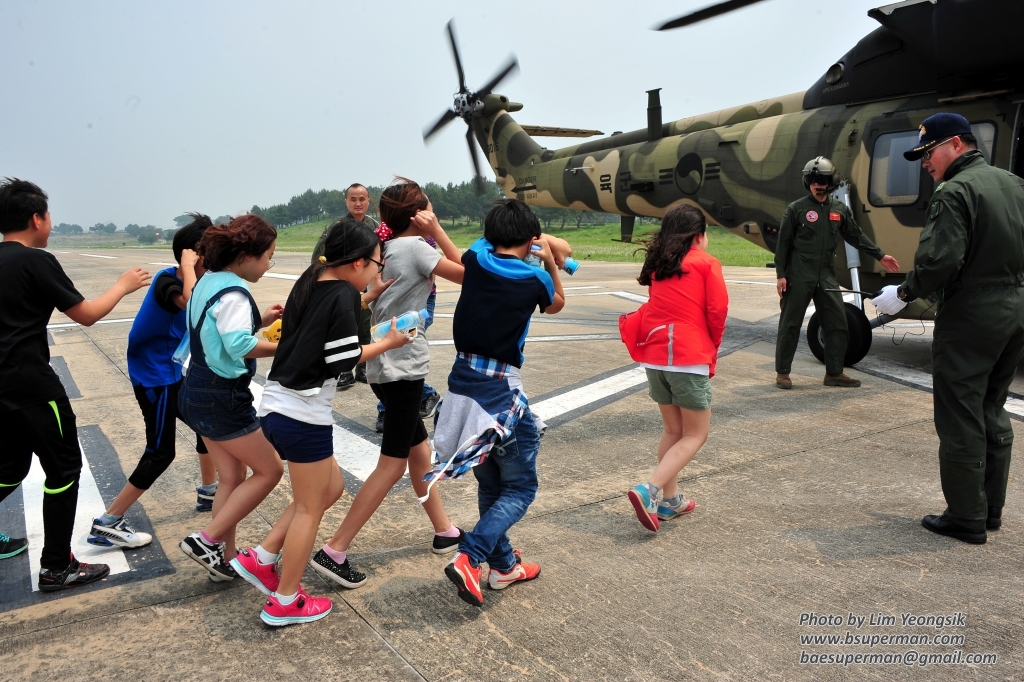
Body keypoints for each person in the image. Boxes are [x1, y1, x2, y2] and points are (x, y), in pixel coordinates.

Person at [230, 218, 410, 626]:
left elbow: (318, 328)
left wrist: (366, 298)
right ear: (358, 262)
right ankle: (286, 600)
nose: (377, 272)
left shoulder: (313, 280)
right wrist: (388, 342)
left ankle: (262, 558)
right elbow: (343, 358)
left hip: (276, 406)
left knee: (332, 487)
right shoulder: (344, 293)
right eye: (376, 266)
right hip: (304, 415)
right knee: (310, 509)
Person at [873, 112, 1024, 545]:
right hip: (1015, 310)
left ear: (956, 144)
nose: (924, 163)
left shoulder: (955, 191)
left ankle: (966, 516)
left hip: (973, 314)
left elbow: (940, 260)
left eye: (928, 152)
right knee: (992, 408)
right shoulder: (1014, 185)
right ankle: (990, 510)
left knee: (960, 415)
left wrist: (902, 295)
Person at [311, 179, 465, 588]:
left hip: (385, 366)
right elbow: (468, 274)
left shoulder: (387, 248)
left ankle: (444, 530)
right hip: (403, 368)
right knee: (393, 463)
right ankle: (335, 549)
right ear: (419, 214)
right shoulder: (416, 247)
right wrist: (437, 233)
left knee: (419, 453)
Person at [0, 178, 150, 590]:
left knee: (10, 467)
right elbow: (85, 314)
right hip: (31, 385)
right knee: (63, 468)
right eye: (48, 216)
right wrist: (122, 285)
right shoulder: (36, 261)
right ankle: (56, 566)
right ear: (36, 218)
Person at [429, 198, 570, 608]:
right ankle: (471, 557)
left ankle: (504, 565)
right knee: (522, 486)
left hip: (460, 385)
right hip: (500, 394)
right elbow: (558, 302)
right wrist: (551, 263)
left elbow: (469, 248)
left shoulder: (476, 260)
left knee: (491, 483)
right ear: (530, 240)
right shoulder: (534, 279)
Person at [88, 216, 217, 550]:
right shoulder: (168, 282)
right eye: (212, 248)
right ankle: (108, 522)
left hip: (171, 371)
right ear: (194, 255)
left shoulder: (197, 280)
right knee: (161, 452)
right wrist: (189, 266)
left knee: (207, 425)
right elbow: (191, 306)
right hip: (154, 377)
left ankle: (208, 492)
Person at [177, 215, 285, 581]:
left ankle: (224, 557)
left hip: (196, 389)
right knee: (270, 470)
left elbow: (217, 333)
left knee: (231, 477)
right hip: (222, 398)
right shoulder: (236, 291)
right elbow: (239, 344)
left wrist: (259, 320)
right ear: (246, 256)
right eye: (269, 255)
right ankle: (206, 540)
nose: (270, 264)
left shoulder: (209, 281)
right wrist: (284, 347)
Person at [619, 205, 728, 531]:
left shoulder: (659, 265)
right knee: (696, 434)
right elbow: (718, 311)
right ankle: (649, 490)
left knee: (673, 431)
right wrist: (712, 348)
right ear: (699, 235)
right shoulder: (707, 263)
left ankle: (671, 500)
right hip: (687, 357)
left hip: (655, 359)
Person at [774, 157, 900, 389]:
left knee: (838, 323)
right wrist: (781, 274)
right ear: (806, 181)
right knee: (790, 324)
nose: (817, 184)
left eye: (821, 179)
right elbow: (783, 244)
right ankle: (783, 373)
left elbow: (856, 236)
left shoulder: (838, 209)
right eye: (812, 179)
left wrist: (880, 255)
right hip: (799, 274)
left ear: (830, 181)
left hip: (826, 275)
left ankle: (834, 373)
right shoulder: (796, 209)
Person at [373, 230, 441, 433]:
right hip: (393, 299)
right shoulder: (384, 232)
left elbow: (459, 272)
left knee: (402, 349)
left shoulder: (420, 242)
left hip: (420, 299)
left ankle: (397, 404)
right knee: (394, 352)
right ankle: (394, 405)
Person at [313, 184, 379, 389]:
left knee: (365, 326)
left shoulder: (375, 227)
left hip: (367, 283)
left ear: (369, 201)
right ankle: (345, 371)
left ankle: (362, 370)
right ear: (346, 202)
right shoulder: (337, 228)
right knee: (344, 326)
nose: (358, 203)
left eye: (362, 199)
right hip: (343, 284)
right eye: (353, 199)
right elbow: (319, 257)